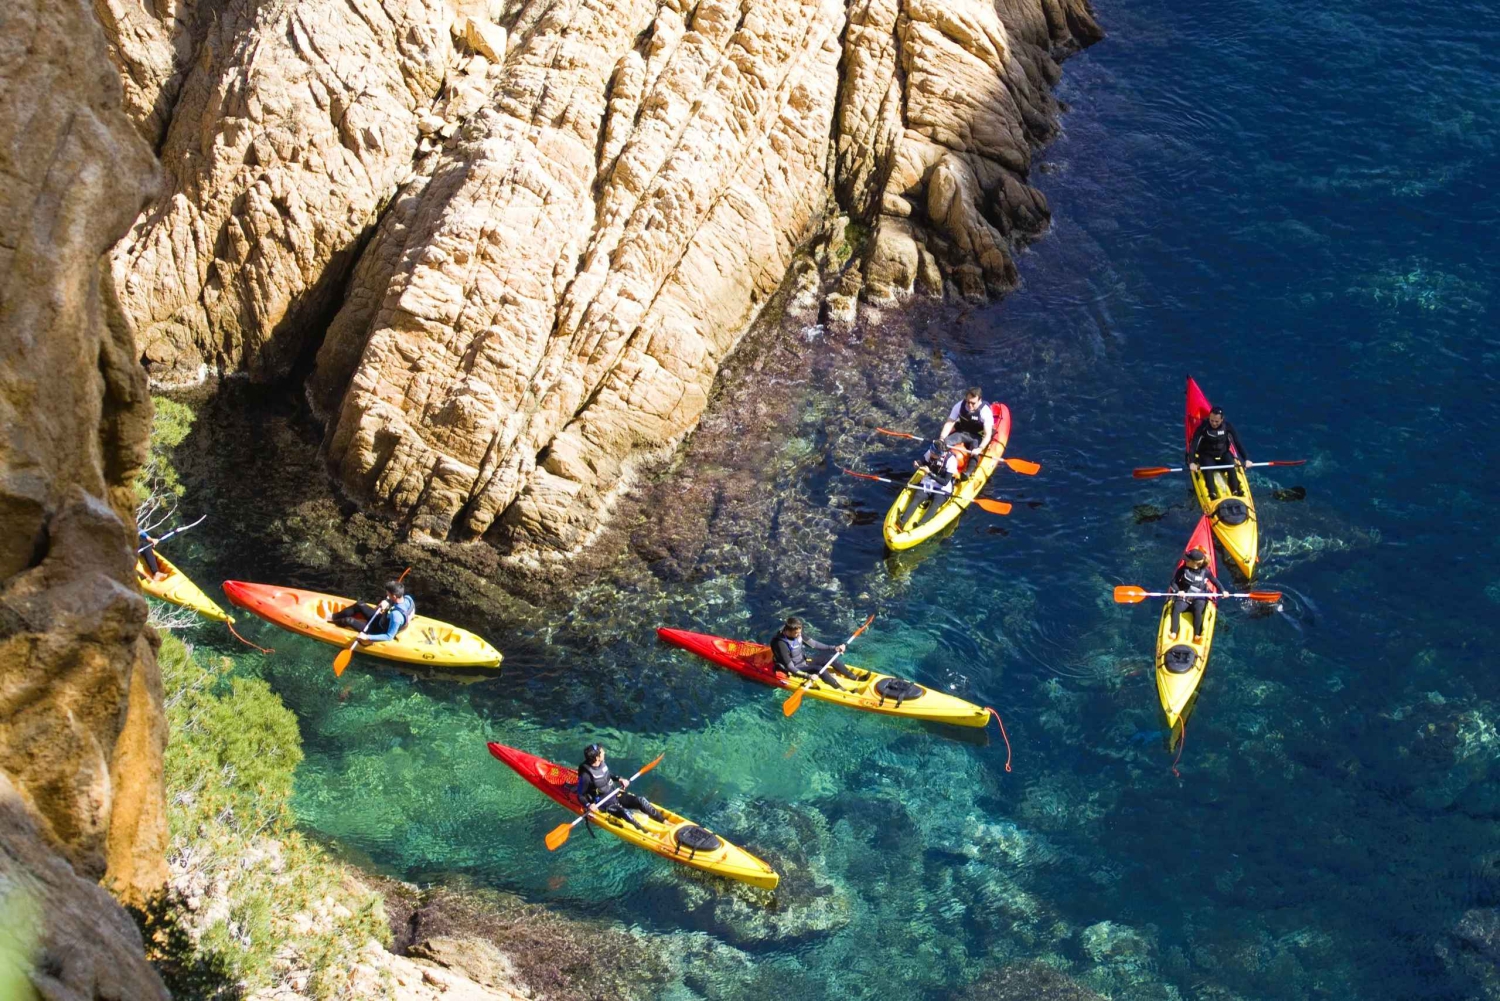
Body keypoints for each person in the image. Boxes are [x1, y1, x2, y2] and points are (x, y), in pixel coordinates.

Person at [576, 744, 666, 833]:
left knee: (640, 800)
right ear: (597, 758)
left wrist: (620, 779)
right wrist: (588, 805)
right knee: (624, 812)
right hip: (605, 805)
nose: (604, 753)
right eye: (602, 752)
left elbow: (607, 775)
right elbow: (580, 795)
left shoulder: (601, 764)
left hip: (616, 795)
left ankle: (664, 821)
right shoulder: (586, 776)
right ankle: (646, 832)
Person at [769, 616, 862, 691]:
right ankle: (841, 689)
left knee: (828, 658)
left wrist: (834, 648)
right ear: (788, 631)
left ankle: (854, 677)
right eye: (796, 633)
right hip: (795, 668)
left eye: (799, 632)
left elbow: (814, 644)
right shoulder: (780, 644)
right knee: (818, 669)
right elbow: (790, 667)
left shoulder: (796, 632)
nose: (799, 635)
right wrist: (808, 676)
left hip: (803, 661)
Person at [1187, 405, 1250, 500]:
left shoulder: (1227, 426)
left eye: (1216, 421)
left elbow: (1237, 443)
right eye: (1211, 420)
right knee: (1208, 469)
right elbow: (1193, 445)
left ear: (1222, 419)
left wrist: (1246, 459)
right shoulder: (1203, 427)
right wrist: (1192, 462)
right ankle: (1212, 494)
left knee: (1231, 464)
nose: (1213, 423)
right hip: (1207, 455)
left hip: (1223, 454)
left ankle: (1235, 490)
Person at [329, 580, 415, 643]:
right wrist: (388, 603)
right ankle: (334, 616)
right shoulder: (408, 598)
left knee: (348, 620)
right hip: (381, 619)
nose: (386, 594)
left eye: (388, 593)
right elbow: (410, 610)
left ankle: (329, 623)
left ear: (394, 596)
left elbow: (389, 636)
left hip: (378, 629)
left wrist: (367, 637)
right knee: (359, 604)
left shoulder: (396, 616)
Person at [1168, 547, 1225, 641]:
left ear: (1195, 563)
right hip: (1185, 595)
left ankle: (1197, 635)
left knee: (1198, 610)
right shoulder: (1183, 569)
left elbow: (1214, 581)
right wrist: (1178, 591)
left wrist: (1223, 590)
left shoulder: (1205, 571)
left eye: (1187, 560)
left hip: (1199, 596)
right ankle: (1174, 632)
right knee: (1177, 608)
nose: (1184, 561)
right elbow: (1173, 582)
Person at [939, 387, 994, 458]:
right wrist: (942, 438)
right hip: (962, 433)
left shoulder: (985, 412)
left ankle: (971, 468)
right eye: (968, 402)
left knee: (975, 454)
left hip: (977, 437)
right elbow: (949, 423)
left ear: (979, 400)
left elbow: (987, 435)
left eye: (973, 403)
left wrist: (980, 448)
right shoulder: (959, 406)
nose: (970, 405)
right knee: (944, 444)